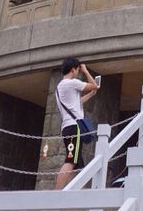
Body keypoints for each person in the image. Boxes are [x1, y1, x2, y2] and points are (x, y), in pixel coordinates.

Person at [54, 57, 99, 189]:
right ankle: (56, 194)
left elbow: (76, 103)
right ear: (73, 69)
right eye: (78, 70)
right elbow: (94, 85)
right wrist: (86, 71)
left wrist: (91, 95)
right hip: (74, 127)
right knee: (71, 160)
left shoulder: (60, 86)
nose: (78, 72)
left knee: (76, 163)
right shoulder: (71, 83)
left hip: (67, 127)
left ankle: (71, 192)